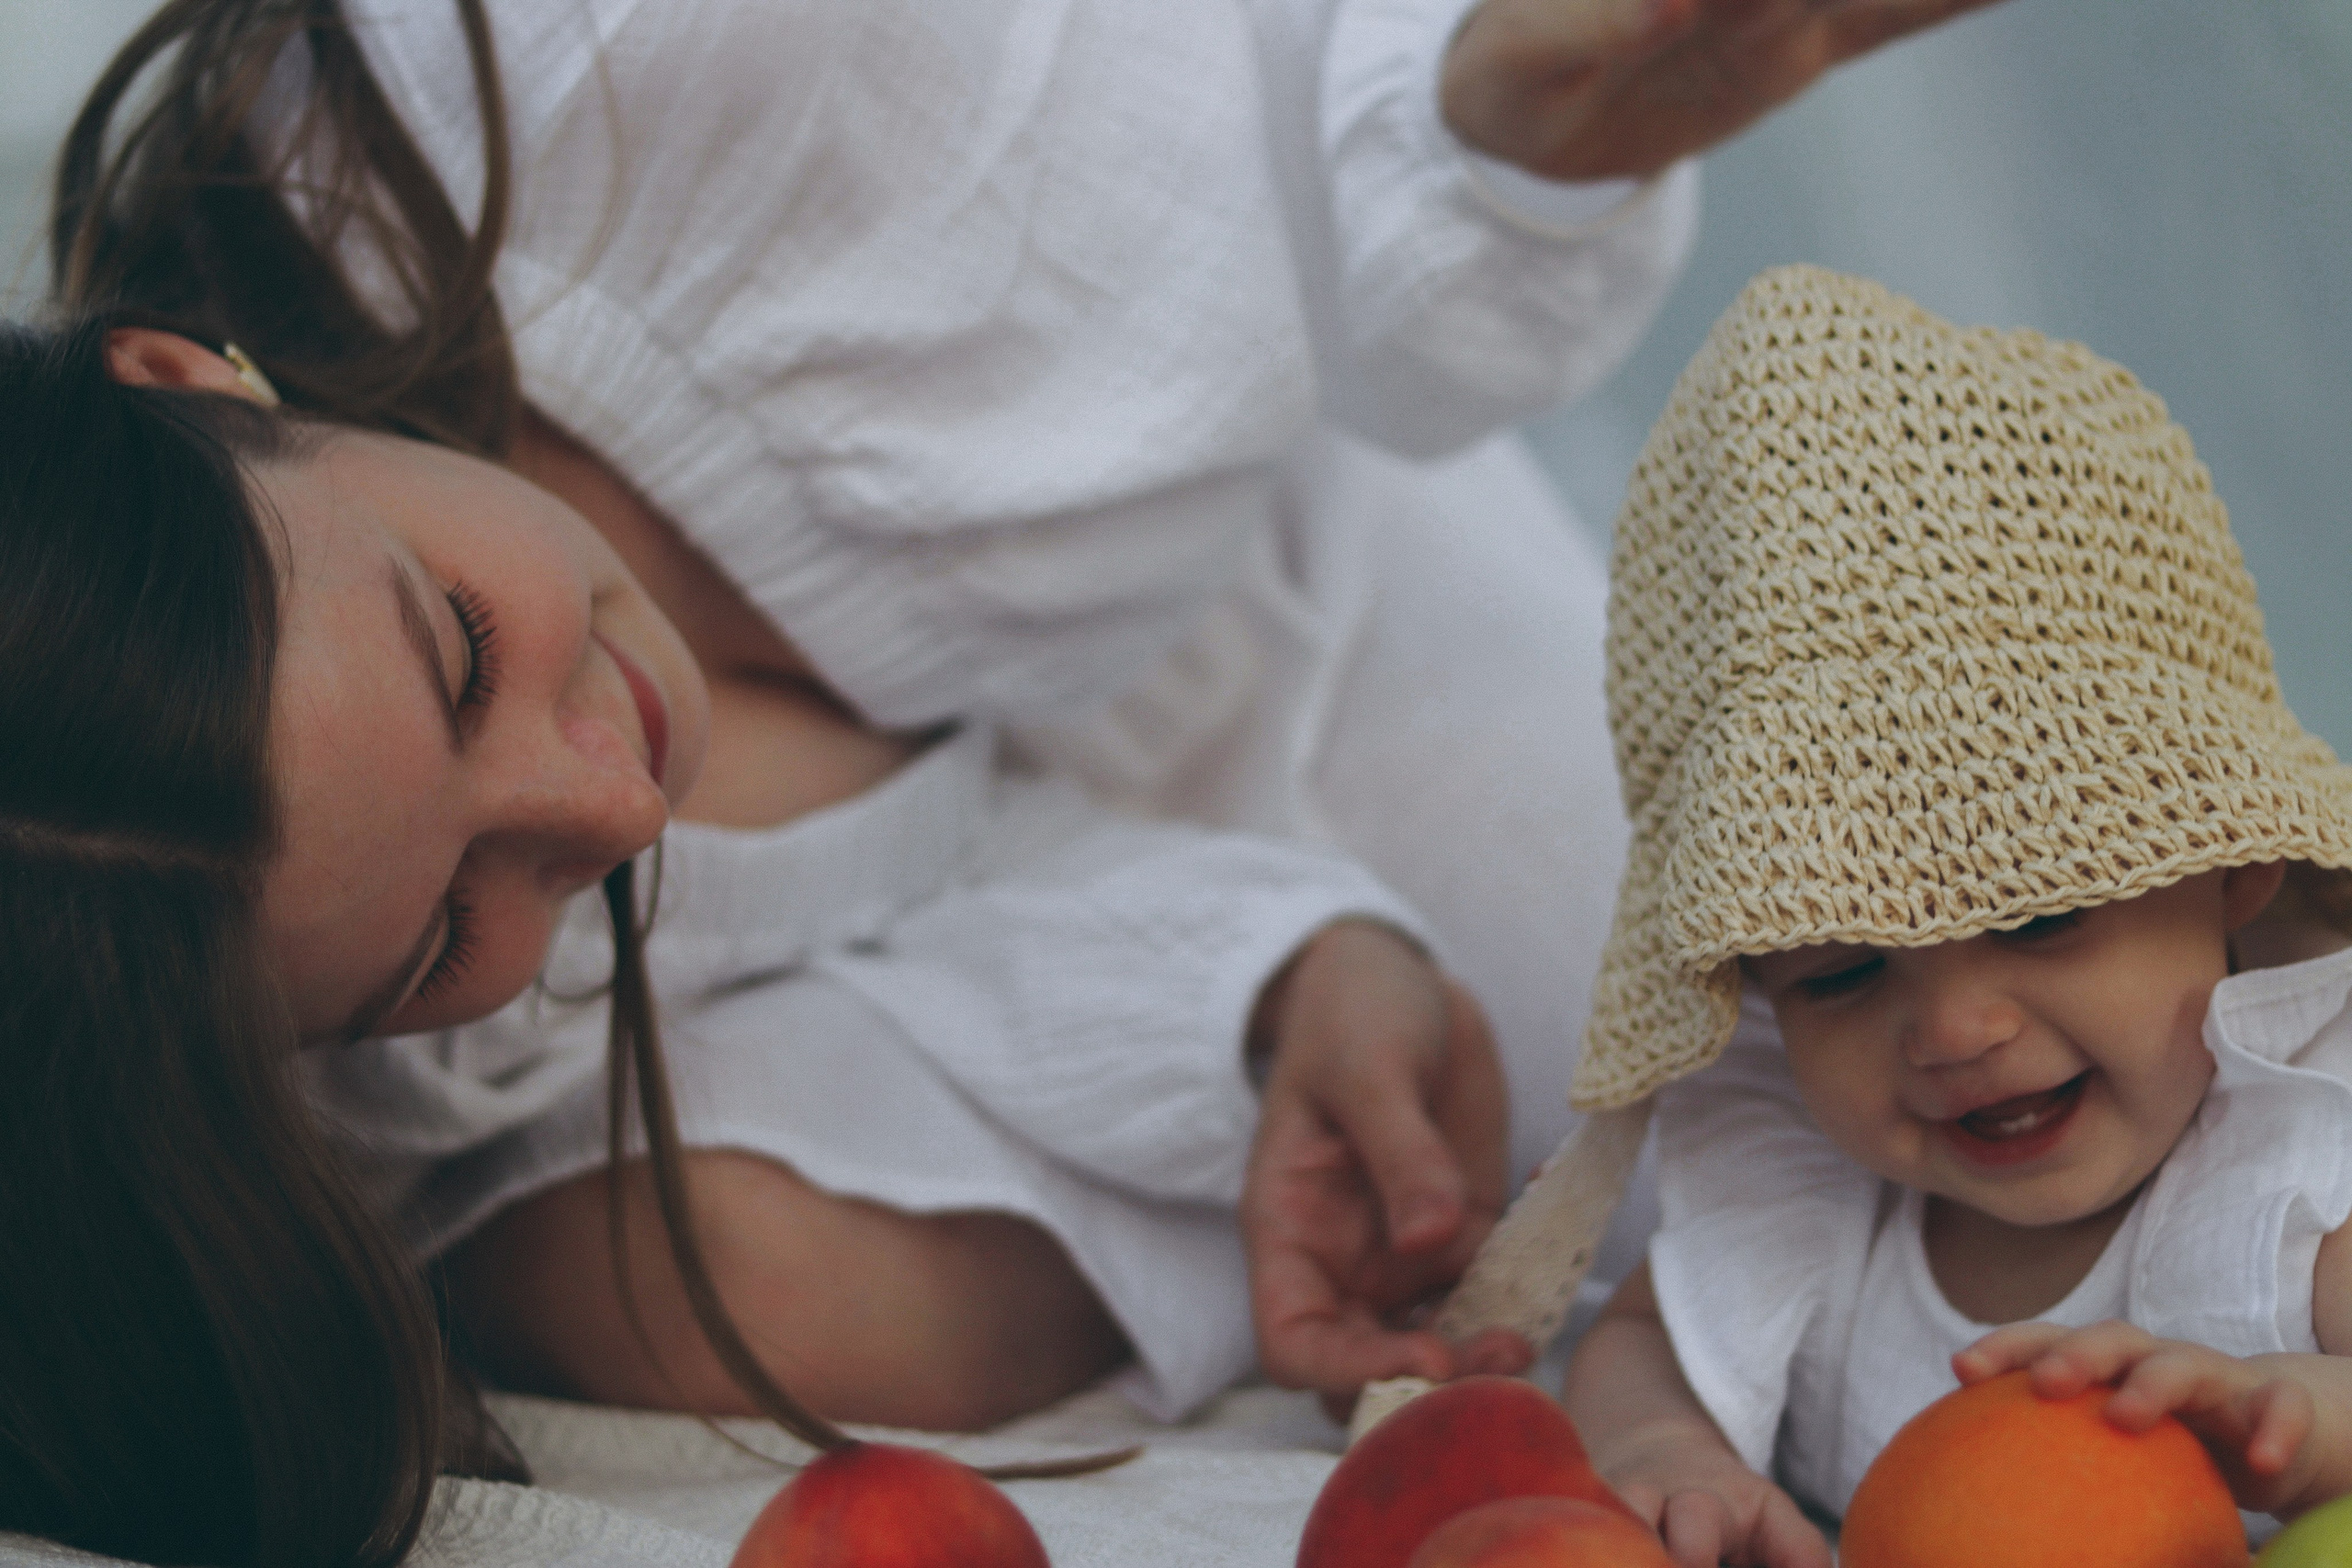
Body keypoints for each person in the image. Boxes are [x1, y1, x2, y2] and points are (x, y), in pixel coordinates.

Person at [5, 0, 1999, 1561]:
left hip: (1323, 480)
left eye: (456, 651)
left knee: (1943, 905)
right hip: (1176, 789)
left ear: (182, 377)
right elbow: (963, 926)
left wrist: (1478, 135)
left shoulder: (588, 70)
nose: (611, 813)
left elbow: (1292, 138)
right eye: (450, 925)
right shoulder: (373, 1024)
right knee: (1776, 1162)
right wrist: (1283, 972)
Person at [1539, 266, 2352, 1567]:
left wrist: (2292, 1423)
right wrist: (1664, 1452)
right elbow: (1642, 1339)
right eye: (1844, 973)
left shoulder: (2296, 1176)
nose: (1956, 1030)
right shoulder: (1817, 1200)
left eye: (2039, 919)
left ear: (2232, 867)